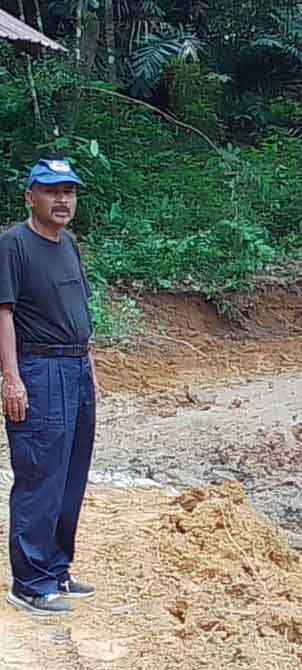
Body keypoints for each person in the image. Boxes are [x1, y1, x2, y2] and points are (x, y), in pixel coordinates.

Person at [1, 158, 99, 616]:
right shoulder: (13, 245)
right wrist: (11, 377)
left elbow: (79, 313)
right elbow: (3, 313)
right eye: (52, 191)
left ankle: (56, 569)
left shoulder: (69, 245)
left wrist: (90, 368)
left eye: (69, 192)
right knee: (39, 475)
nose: (62, 200)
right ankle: (29, 583)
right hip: (38, 372)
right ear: (30, 196)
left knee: (70, 476)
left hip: (76, 369)